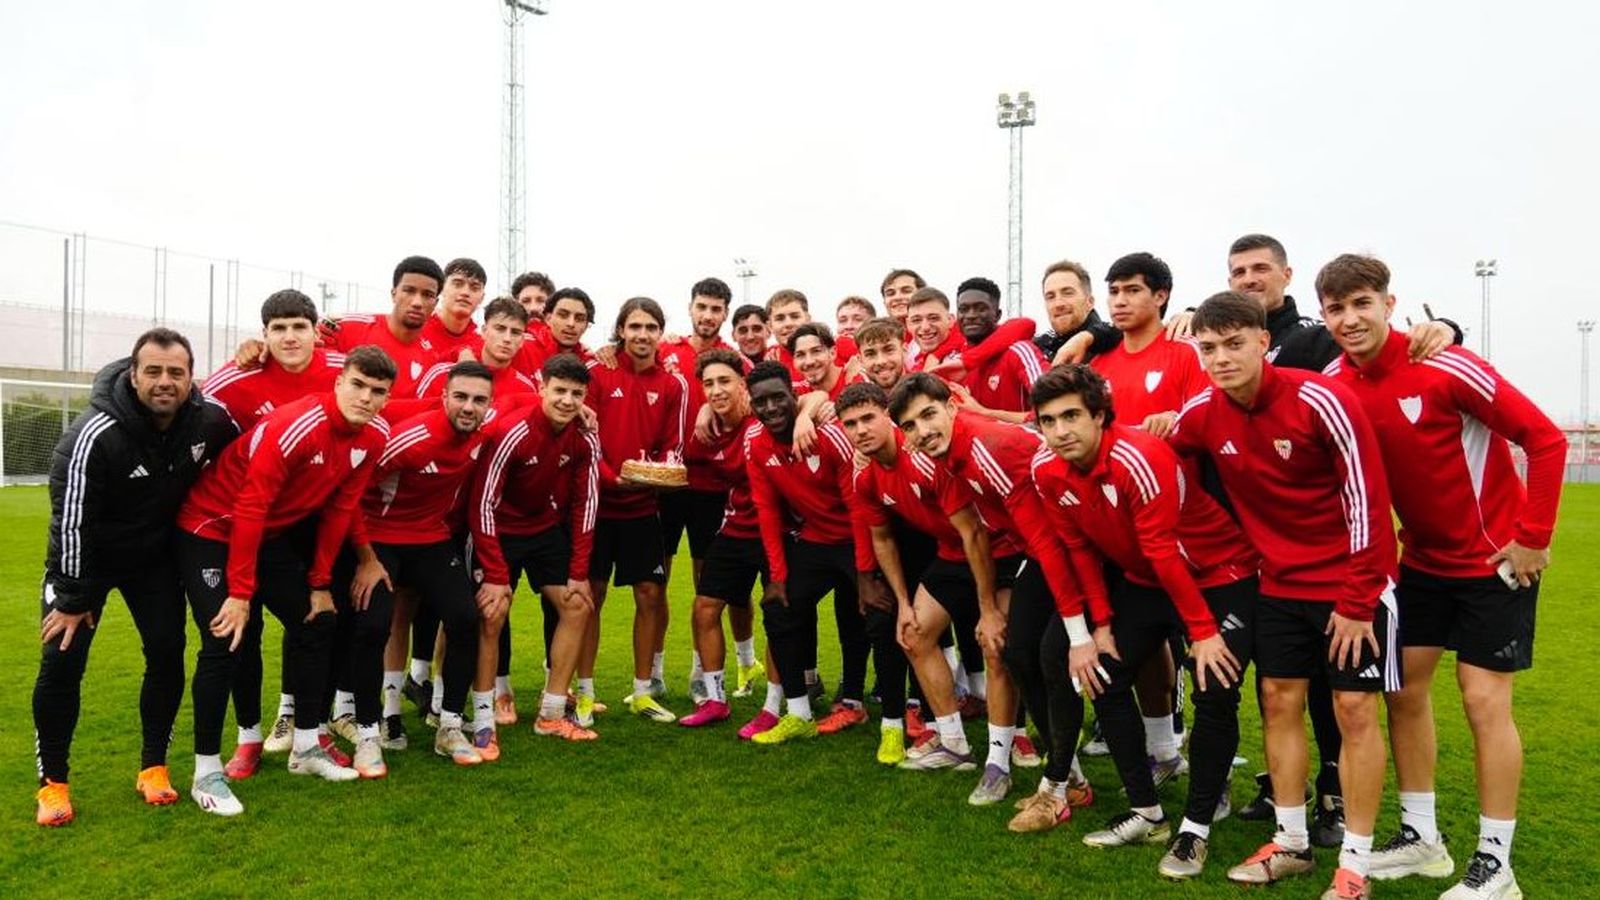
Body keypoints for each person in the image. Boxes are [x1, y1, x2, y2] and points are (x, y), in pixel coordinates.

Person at [1318, 254, 1565, 900]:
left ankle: (1495, 864)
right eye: (1336, 308)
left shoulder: (1444, 364)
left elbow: (1545, 439)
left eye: (1361, 303)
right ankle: (1423, 839)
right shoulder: (1333, 381)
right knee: (1403, 693)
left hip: (1492, 566)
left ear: (1389, 305)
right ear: (1325, 316)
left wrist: (1533, 539)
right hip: (1419, 564)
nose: (1349, 319)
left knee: (1484, 702)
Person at [1225, 233, 1459, 845]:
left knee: (1345, 698)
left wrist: (1447, 329)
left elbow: (1374, 338)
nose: (1248, 278)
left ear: (1285, 275)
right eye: (1237, 271)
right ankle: (1292, 806)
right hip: (1276, 557)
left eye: (1259, 269)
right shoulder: (1224, 345)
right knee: (1282, 693)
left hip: (1343, 553)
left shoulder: (1315, 337)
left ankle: (1337, 802)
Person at [1169, 292, 1398, 900]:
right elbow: (1162, 449)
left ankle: (1355, 866)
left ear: (1263, 342)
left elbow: (1368, 500)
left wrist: (1355, 601)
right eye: (1209, 347)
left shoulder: (1318, 397)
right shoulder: (1202, 411)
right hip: (1277, 584)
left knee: (1353, 714)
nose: (1221, 358)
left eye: (1234, 344)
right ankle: (1291, 843)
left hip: (1351, 584)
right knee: (1276, 703)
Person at [1031, 364, 1259, 880]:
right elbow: (1079, 547)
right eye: (1048, 420)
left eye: (1072, 416)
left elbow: (1161, 546)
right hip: (1146, 579)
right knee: (1104, 675)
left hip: (1217, 574)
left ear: (1100, 415)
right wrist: (1101, 625)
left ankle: (1195, 830)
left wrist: (1201, 632)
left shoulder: (1137, 455)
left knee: (1214, 686)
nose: (1061, 430)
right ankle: (1147, 812)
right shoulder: (1047, 468)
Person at [176, 346, 396, 816]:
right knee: (226, 638)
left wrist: (319, 581)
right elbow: (250, 506)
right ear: (339, 383)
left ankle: (305, 747)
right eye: (358, 385)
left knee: (316, 620)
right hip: (212, 528)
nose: (366, 397)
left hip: (267, 534)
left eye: (378, 391)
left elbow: (340, 508)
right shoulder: (296, 425)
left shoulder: (374, 435)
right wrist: (239, 593)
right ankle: (206, 771)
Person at [31, 329, 236, 827]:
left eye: (176, 372)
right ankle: (53, 785)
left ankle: (153, 768)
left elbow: (249, 450)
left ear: (191, 378)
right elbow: (71, 519)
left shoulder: (207, 421)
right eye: (154, 371)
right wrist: (75, 596)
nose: (165, 382)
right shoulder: (95, 432)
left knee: (167, 653)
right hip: (88, 563)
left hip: (153, 561)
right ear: (133, 374)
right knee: (62, 661)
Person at [888, 373, 1095, 819]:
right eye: (910, 425)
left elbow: (1041, 537)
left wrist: (1076, 627)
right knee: (1022, 655)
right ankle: (1067, 775)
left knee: (1059, 658)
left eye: (929, 414)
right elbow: (977, 535)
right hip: (1041, 553)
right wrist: (987, 608)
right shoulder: (947, 458)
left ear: (953, 406)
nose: (923, 430)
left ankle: (1087, 777)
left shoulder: (987, 446)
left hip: (1080, 550)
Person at [318, 361, 495, 778]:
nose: (469, 407)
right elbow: (353, 491)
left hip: (430, 538)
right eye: (461, 397)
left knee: (465, 618)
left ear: (489, 404)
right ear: (445, 397)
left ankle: (449, 726)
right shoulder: (415, 438)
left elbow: (529, 402)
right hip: (379, 537)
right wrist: (365, 559)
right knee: (374, 625)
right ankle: (366, 733)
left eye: (479, 400)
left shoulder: (483, 433)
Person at [839, 382, 1016, 791]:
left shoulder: (923, 458)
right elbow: (882, 540)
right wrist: (902, 602)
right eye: (851, 424)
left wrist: (987, 608)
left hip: (999, 550)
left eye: (869, 418)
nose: (861, 430)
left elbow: (973, 531)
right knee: (913, 634)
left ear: (889, 418)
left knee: (996, 646)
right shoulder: (865, 479)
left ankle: (998, 759)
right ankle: (954, 744)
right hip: (952, 556)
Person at [202, 290, 350, 778]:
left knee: (315, 619)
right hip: (243, 522)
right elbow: (189, 408)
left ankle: (308, 725)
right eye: (278, 328)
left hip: (304, 522)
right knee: (244, 630)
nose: (289, 336)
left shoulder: (339, 368)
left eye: (298, 326)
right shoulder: (241, 373)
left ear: (314, 330)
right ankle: (248, 737)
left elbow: (387, 389)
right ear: (264, 334)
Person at [471, 353, 603, 743]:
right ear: (542, 387)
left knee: (578, 604)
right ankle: (483, 719)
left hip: (542, 528)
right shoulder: (512, 430)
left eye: (575, 393)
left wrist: (579, 571)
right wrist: (495, 575)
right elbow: (483, 504)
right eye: (559, 390)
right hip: (498, 529)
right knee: (491, 612)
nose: (566, 400)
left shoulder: (584, 436)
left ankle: (550, 714)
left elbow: (586, 504)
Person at [743, 362, 868, 744]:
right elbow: (766, 511)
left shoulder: (828, 435)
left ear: (793, 397)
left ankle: (868, 704)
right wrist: (778, 576)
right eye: (761, 401)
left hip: (857, 538)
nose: (771, 408)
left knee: (869, 614)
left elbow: (857, 505)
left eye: (778, 398)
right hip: (815, 542)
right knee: (778, 608)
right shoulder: (757, 444)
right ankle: (797, 711)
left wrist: (865, 572)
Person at [583, 297, 687, 722]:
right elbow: (585, 436)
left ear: (661, 333)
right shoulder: (598, 372)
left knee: (650, 594)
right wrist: (611, 477)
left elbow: (673, 445)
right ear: (621, 330)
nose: (642, 335)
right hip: (597, 505)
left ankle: (643, 691)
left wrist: (654, 474)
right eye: (635, 326)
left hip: (642, 507)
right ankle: (585, 692)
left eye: (651, 327)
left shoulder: (673, 384)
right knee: (591, 597)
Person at [677, 350, 774, 728]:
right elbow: (689, 458)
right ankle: (715, 700)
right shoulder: (708, 431)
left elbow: (809, 397)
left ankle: (774, 705)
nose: (717, 390)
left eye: (725, 381)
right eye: (709, 384)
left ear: (743, 385)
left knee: (779, 614)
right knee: (704, 607)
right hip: (735, 529)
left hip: (774, 532)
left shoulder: (764, 418)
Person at [318, 256, 448, 396]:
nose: (417, 302)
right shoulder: (345, 328)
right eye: (409, 291)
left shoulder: (431, 359)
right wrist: (313, 332)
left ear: (435, 303)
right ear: (394, 294)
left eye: (427, 295)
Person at [948, 276, 1048, 423]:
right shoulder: (954, 363)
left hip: (1025, 444)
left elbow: (1054, 410)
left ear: (998, 314)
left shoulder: (1019, 351)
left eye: (980, 308)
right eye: (964, 309)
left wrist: (984, 413)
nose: (970, 316)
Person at [414, 297, 539, 404]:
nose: (507, 339)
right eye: (500, 329)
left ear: (522, 340)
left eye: (515, 332)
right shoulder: (441, 375)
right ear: (484, 331)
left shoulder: (526, 390)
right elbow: (415, 422)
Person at [1033, 260, 1121, 365]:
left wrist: (1086, 338)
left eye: (1067, 293)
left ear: (1090, 302)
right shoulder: (1038, 350)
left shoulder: (1115, 343)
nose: (1058, 304)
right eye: (1050, 297)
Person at [420, 257, 489, 363]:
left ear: (482, 298)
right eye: (458, 284)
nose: (465, 292)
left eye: (474, 288)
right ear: (441, 288)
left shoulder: (482, 347)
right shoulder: (416, 332)